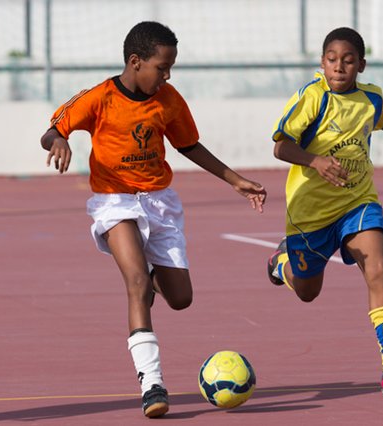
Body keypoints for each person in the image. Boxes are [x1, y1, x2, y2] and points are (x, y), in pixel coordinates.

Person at [41, 21, 266, 418]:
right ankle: (152, 384)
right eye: (162, 67)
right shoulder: (99, 98)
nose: (167, 75)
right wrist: (59, 139)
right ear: (135, 61)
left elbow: (189, 145)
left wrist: (235, 180)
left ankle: (143, 272)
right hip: (115, 202)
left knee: (180, 298)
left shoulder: (168, 100)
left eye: (170, 68)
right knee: (137, 283)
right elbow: (51, 130)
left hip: (160, 203)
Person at [267, 27, 383, 398]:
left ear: (361, 65)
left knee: (379, 268)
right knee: (307, 292)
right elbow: (280, 147)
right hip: (310, 214)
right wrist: (316, 161)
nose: (339, 66)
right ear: (322, 63)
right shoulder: (311, 97)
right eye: (332, 59)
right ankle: (280, 264)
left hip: (358, 202)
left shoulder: (370, 99)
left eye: (348, 60)